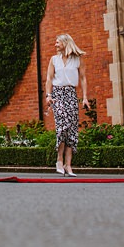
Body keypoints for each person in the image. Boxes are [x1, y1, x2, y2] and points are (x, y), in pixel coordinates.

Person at [43, 33, 89, 177]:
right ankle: (59, 159)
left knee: (72, 130)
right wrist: (48, 95)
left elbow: (83, 78)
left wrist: (85, 98)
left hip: (71, 94)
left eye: (58, 42)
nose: (55, 45)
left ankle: (68, 166)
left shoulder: (77, 60)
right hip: (57, 95)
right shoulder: (54, 60)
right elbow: (49, 79)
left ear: (65, 43)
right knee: (62, 126)